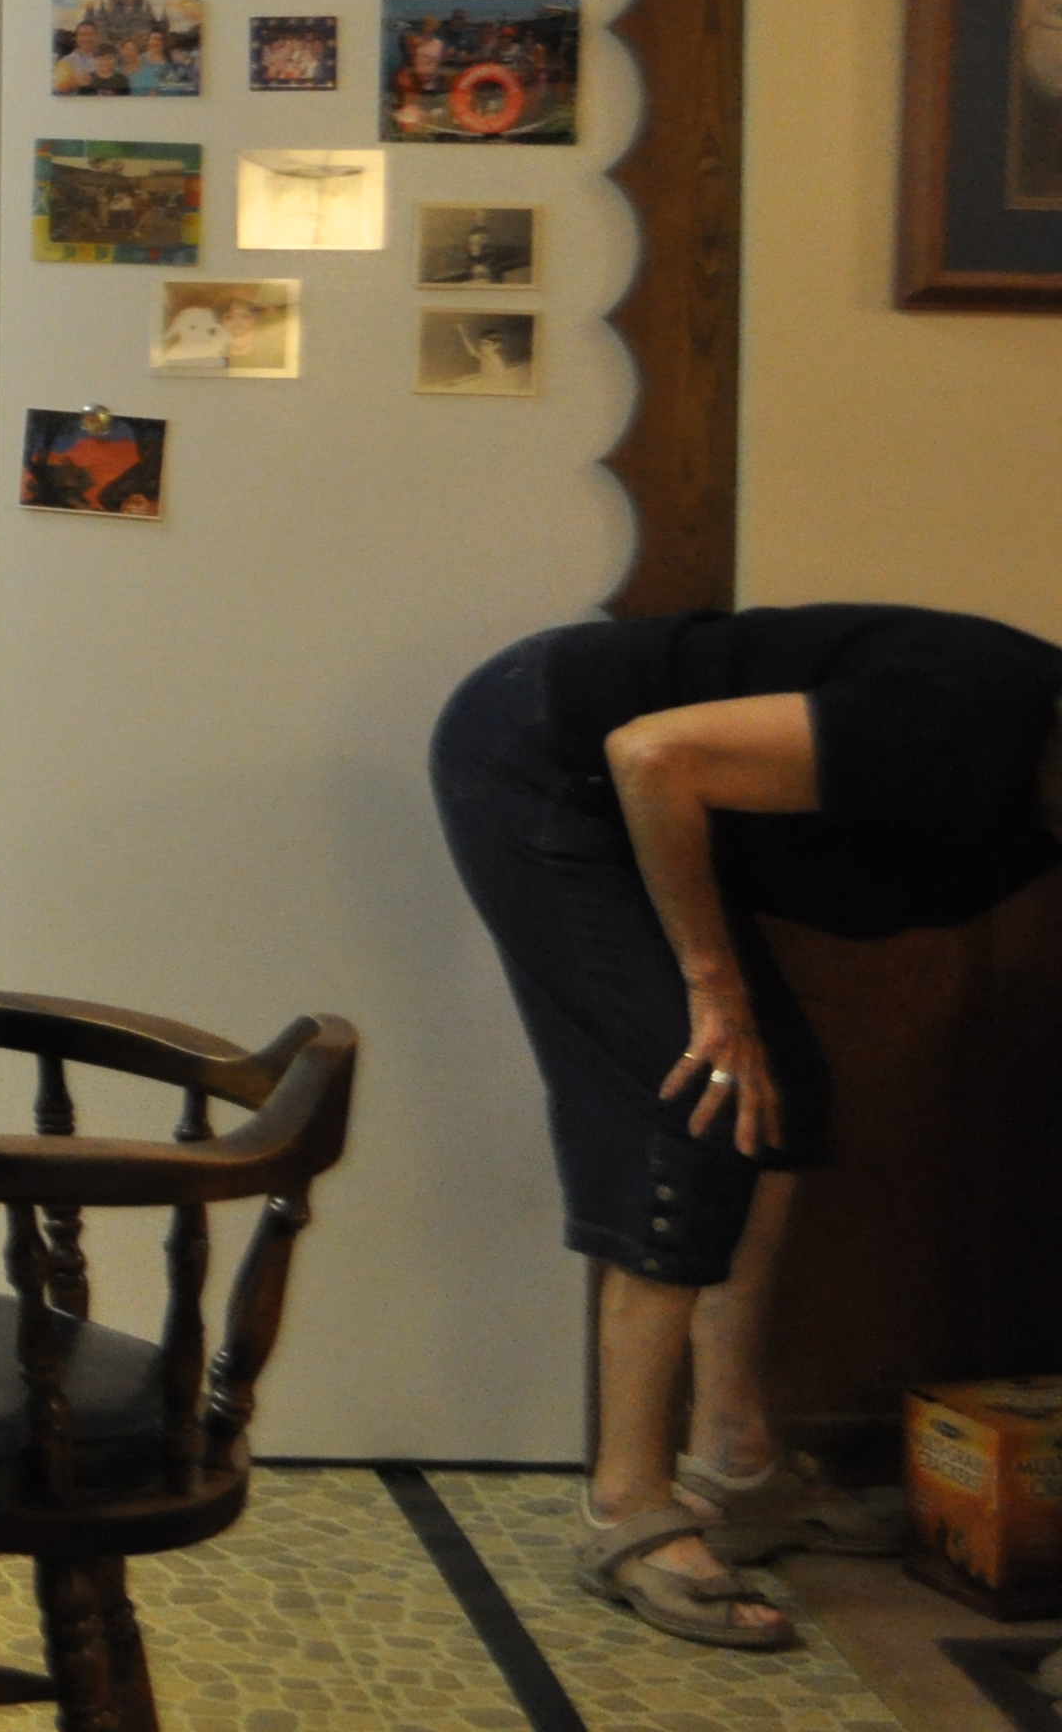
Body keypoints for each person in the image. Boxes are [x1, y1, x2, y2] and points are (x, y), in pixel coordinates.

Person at [431, 606, 1062, 1650]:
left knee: (784, 1096)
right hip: (543, 751)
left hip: (642, 792)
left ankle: (735, 1460)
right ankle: (624, 1503)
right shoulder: (959, 715)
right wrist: (710, 984)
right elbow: (651, 755)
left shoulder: (1028, 787)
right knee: (697, 1099)